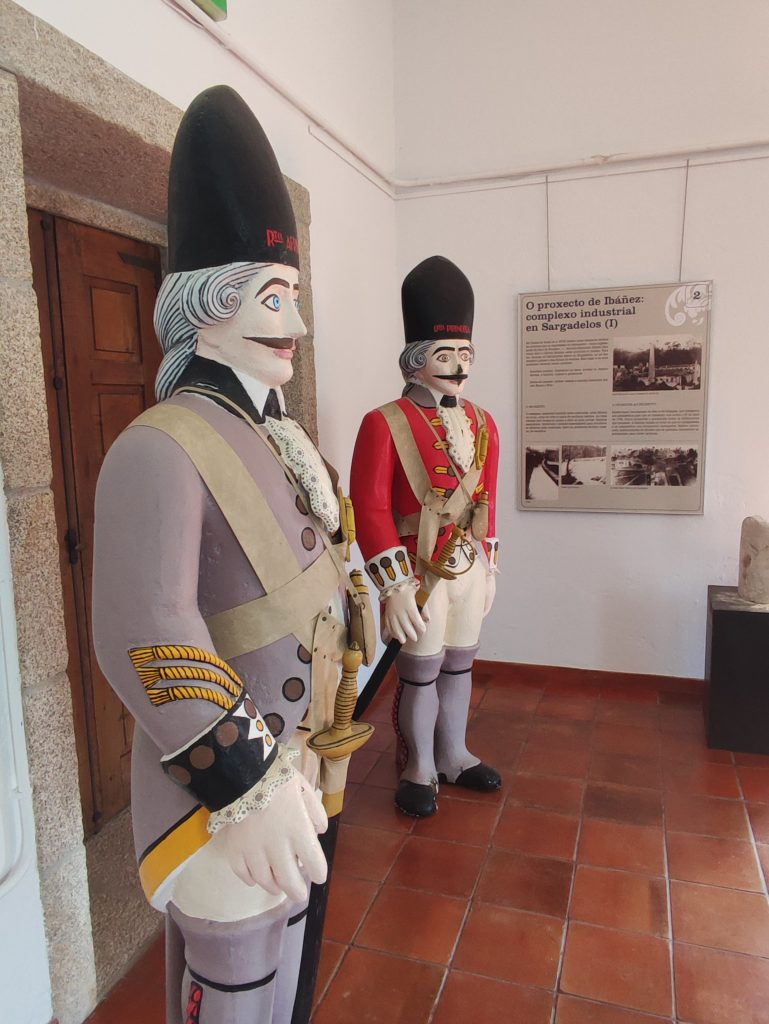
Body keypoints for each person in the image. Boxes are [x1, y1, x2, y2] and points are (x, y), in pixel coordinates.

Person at [92, 86, 371, 1024]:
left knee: (286, 972)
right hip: (223, 789)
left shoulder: (279, 434)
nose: (295, 325)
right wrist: (245, 781)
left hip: (303, 760)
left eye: (294, 298)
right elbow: (145, 630)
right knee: (240, 980)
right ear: (205, 308)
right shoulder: (157, 445)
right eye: (271, 298)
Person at [350, 256, 501, 818]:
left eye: (465, 354)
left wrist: (490, 566)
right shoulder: (382, 422)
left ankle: (454, 753)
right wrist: (391, 586)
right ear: (417, 361)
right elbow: (369, 506)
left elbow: (487, 500)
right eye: (445, 355)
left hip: (468, 566)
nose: (459, 367)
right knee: (420, 673)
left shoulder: (484, 423)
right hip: (417, 572)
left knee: (460, 665)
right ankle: (418, 766)